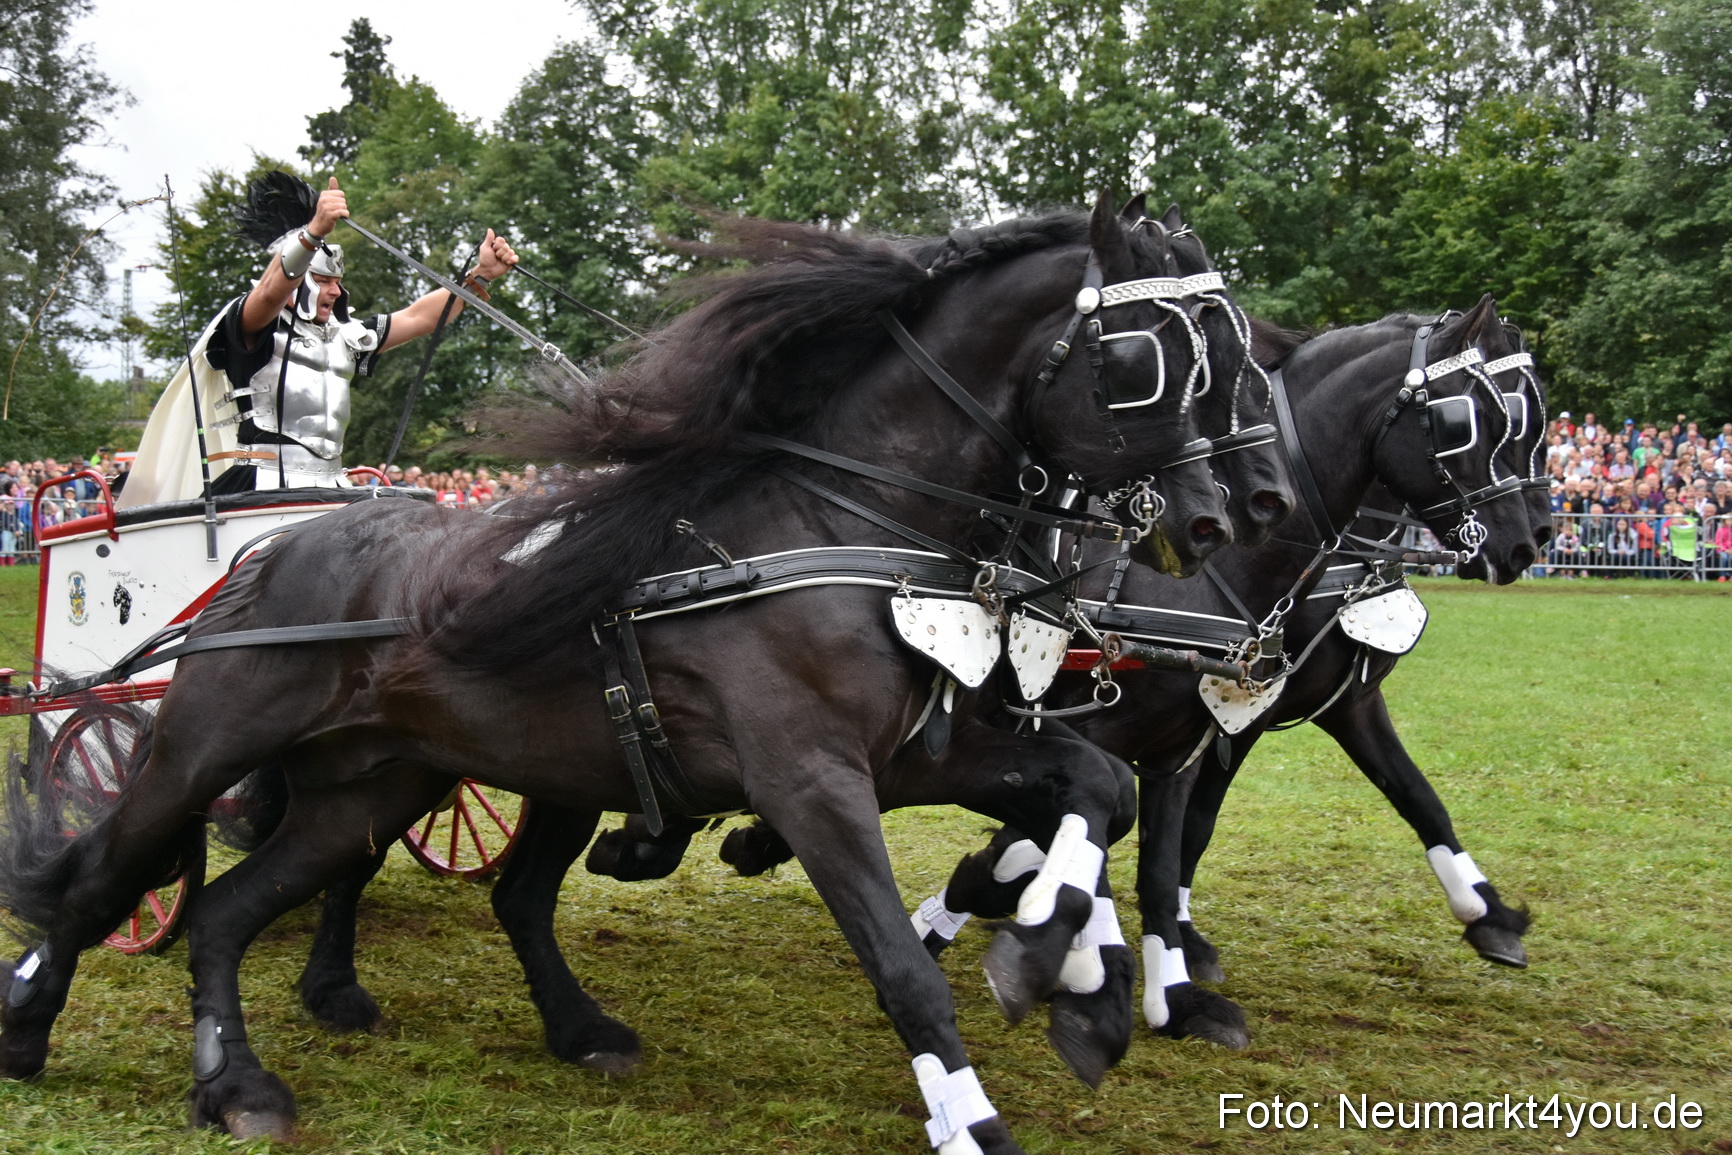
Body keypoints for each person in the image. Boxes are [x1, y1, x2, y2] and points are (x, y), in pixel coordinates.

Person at [119, 173, 518, 506]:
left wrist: (479, 276)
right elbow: (269, 293)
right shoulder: (252, 325)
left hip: (331, 483)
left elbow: (418, 317)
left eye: (337, 281)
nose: (334, 291)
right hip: (262, 485)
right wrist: (313, 233)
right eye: (323, 280)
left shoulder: (346, 336)